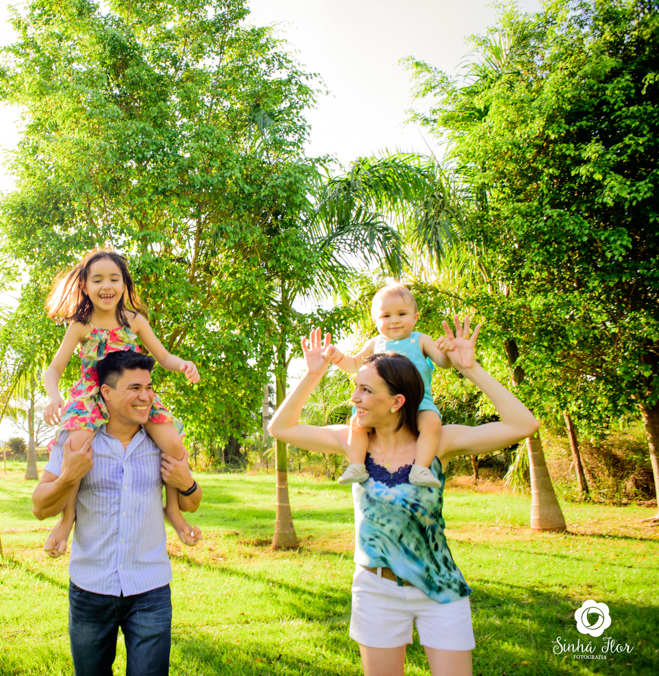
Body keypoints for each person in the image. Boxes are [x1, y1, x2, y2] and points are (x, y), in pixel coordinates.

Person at [268, 318, 539, 676]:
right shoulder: (352, 441)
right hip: (375, 589)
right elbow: (280, 427)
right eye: (356, 388)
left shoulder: (438, 442)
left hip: (440, 586)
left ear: (397, 401)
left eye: (366, 390)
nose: (354, 398)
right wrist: (312, 374)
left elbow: (524, 425)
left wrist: (471, 369)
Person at [32, 350, 203, 676]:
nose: (146, 396)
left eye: (149, 388)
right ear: (106, 393)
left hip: (150, 590)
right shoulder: (76, 438)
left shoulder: (162, 440)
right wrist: (68, 477)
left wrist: (188, 483)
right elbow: (40, 507)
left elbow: (191, 503)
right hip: (90, 588)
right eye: (134, 388)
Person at [42, 249, 201, 555]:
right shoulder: (81, 325)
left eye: (114, 279)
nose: (107, 286)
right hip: (92, 395)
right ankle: (67, 518)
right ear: (85, 285)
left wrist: (184, 365)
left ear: (124, 284)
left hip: (131, 395)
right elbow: (54, 369)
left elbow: (164, 356)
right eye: (98, 279)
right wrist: (54, 396)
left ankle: (173, 510)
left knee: (173, 443)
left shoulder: (134, 321)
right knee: (77, 447)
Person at [329, 282, 452, 488]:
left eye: (402, 314)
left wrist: (448, 352)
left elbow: (442, 361)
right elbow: (354, 364)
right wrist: (338, 357)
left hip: (419, 402)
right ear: (375, 320)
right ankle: (357, 465)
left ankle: (421, 468)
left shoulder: (421, 340)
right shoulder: (375, 343)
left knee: (431, 423)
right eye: (386, 316)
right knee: (357, 424)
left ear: (415, 317)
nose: (394, 320)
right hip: (380, 405)